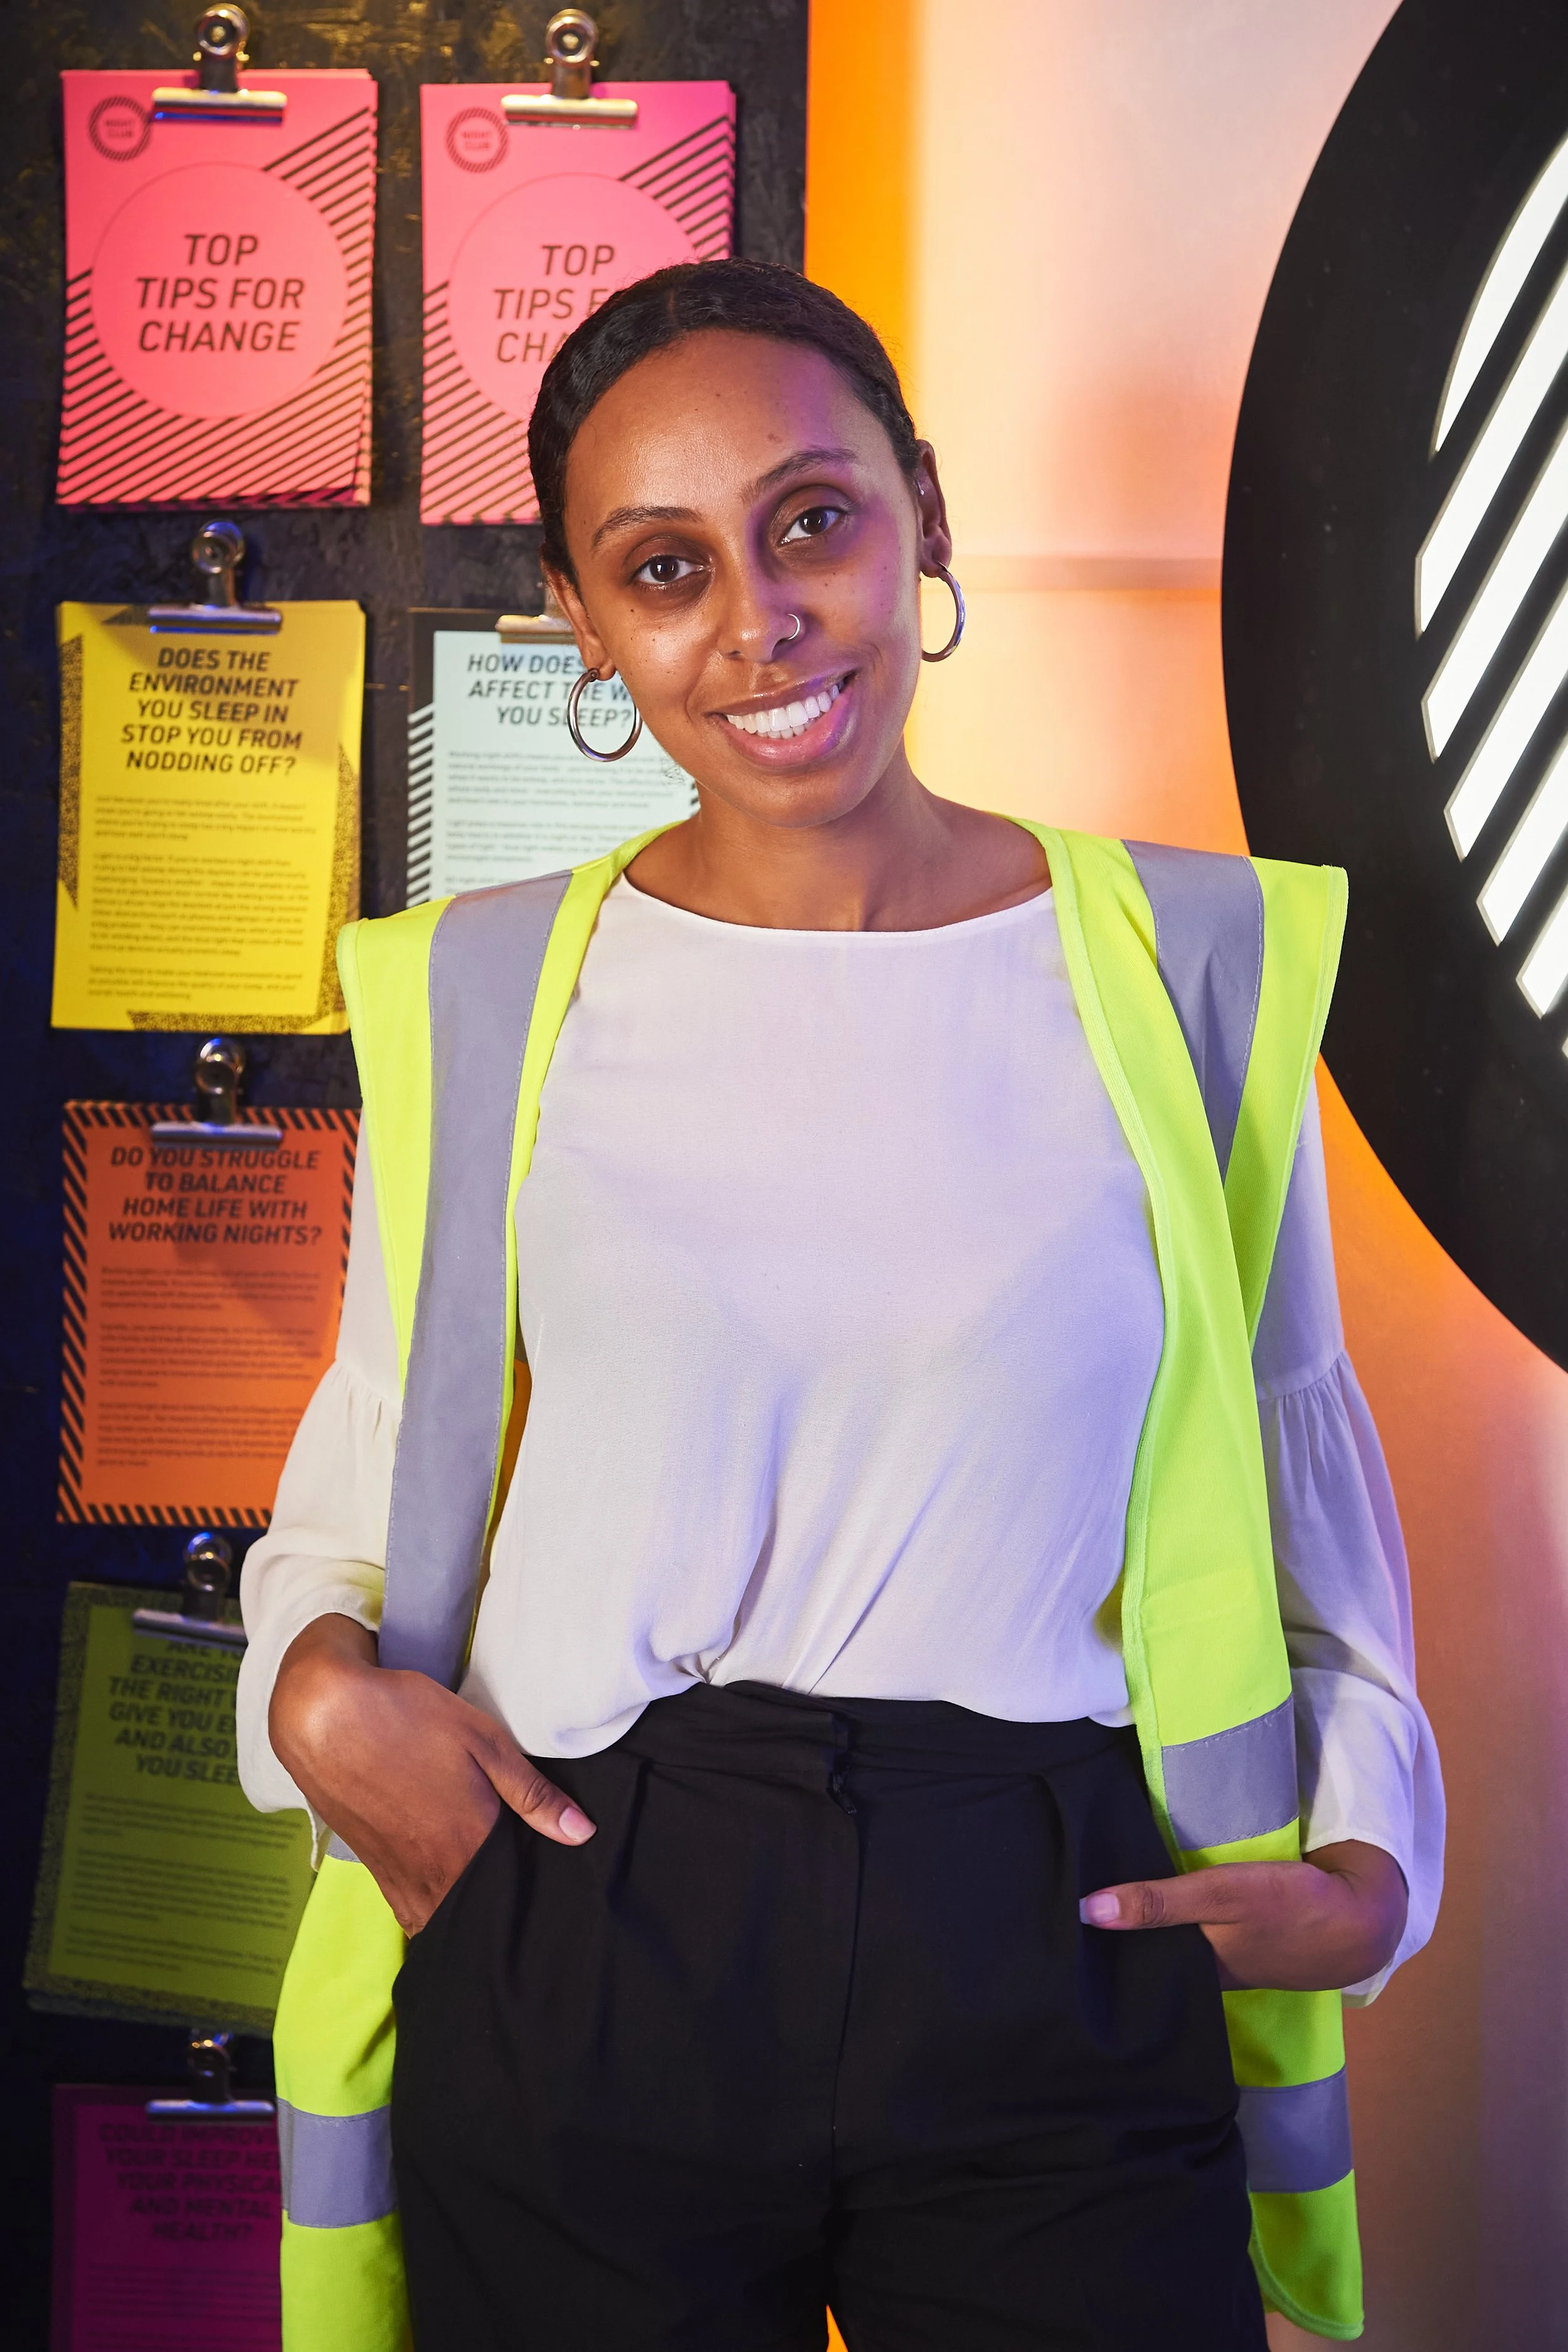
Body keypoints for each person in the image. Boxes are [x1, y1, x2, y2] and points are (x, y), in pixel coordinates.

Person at [238, 259, 1442, 2352]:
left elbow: (1286, 1453)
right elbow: (369, 1475)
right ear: (581, 619)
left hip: (1050, 1912)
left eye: (812, 521)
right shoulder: (478, 987)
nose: (759, 622)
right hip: (592, 1899)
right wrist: (313, 1695)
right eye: (664, 568)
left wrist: (1375, 1850)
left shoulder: (1183, 960)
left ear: (923, 515)